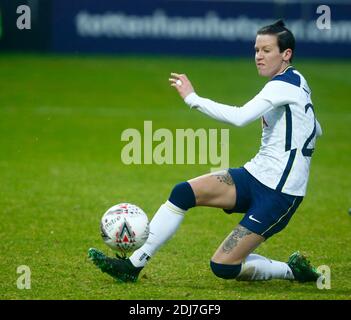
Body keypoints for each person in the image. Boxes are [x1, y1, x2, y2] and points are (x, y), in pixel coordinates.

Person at [88, 20, 322, 283]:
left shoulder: (282, 85)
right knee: (183, 192)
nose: (258, 56)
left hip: (280, 193)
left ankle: (291, 271)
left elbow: (240, 117)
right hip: (255, 175)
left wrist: (193, 99)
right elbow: (315, 126)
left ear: (286, 54)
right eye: (256, 50)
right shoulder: (296, 81)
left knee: (223, 266)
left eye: (266, 50)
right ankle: (133, 265)